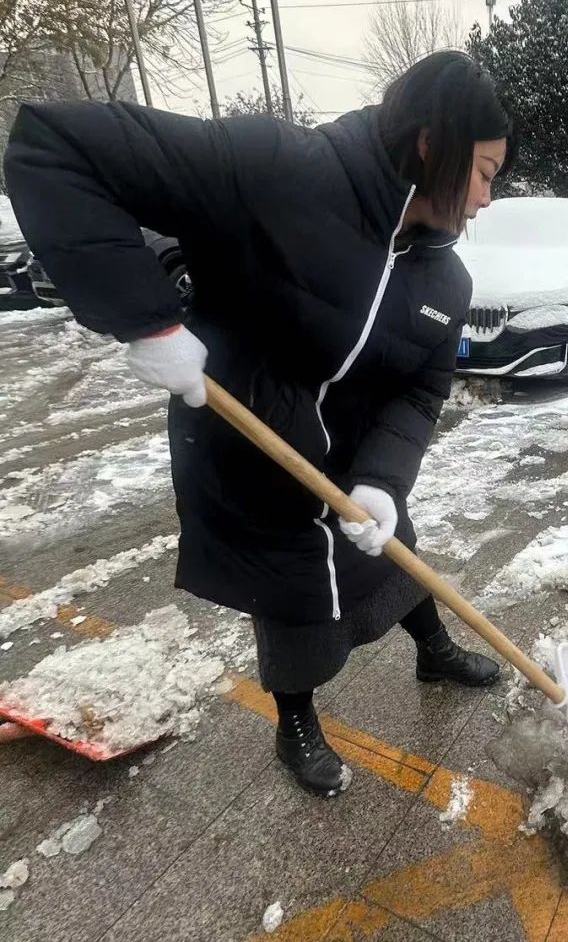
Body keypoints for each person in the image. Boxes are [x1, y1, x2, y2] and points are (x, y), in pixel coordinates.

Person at [4, 51, 514, 798]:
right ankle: (295, 721)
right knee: (294, 599)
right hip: (253, 458)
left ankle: (432, 649)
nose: (485, 200)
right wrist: (147, 320)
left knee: (395, 556)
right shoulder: (281, 169)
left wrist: (382, 483)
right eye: (485, 172)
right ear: (432, 144)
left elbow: (420, 394)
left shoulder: (445, 277)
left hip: (350, 465)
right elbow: (56, 147)